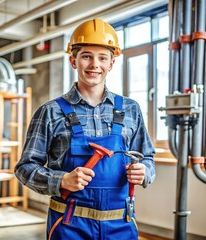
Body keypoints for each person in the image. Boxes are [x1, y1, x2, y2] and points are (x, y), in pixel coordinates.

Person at [14, 18, 155, 239]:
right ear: (73, 60)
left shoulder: (130, 109)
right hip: (69, 225)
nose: (94, 65)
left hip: (121, 224)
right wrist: (60, 180)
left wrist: (145, 171)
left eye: (102, 58)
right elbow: (25, 168)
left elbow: (147, 157)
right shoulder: (50, 112)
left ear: (111, 63)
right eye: (86, 56)